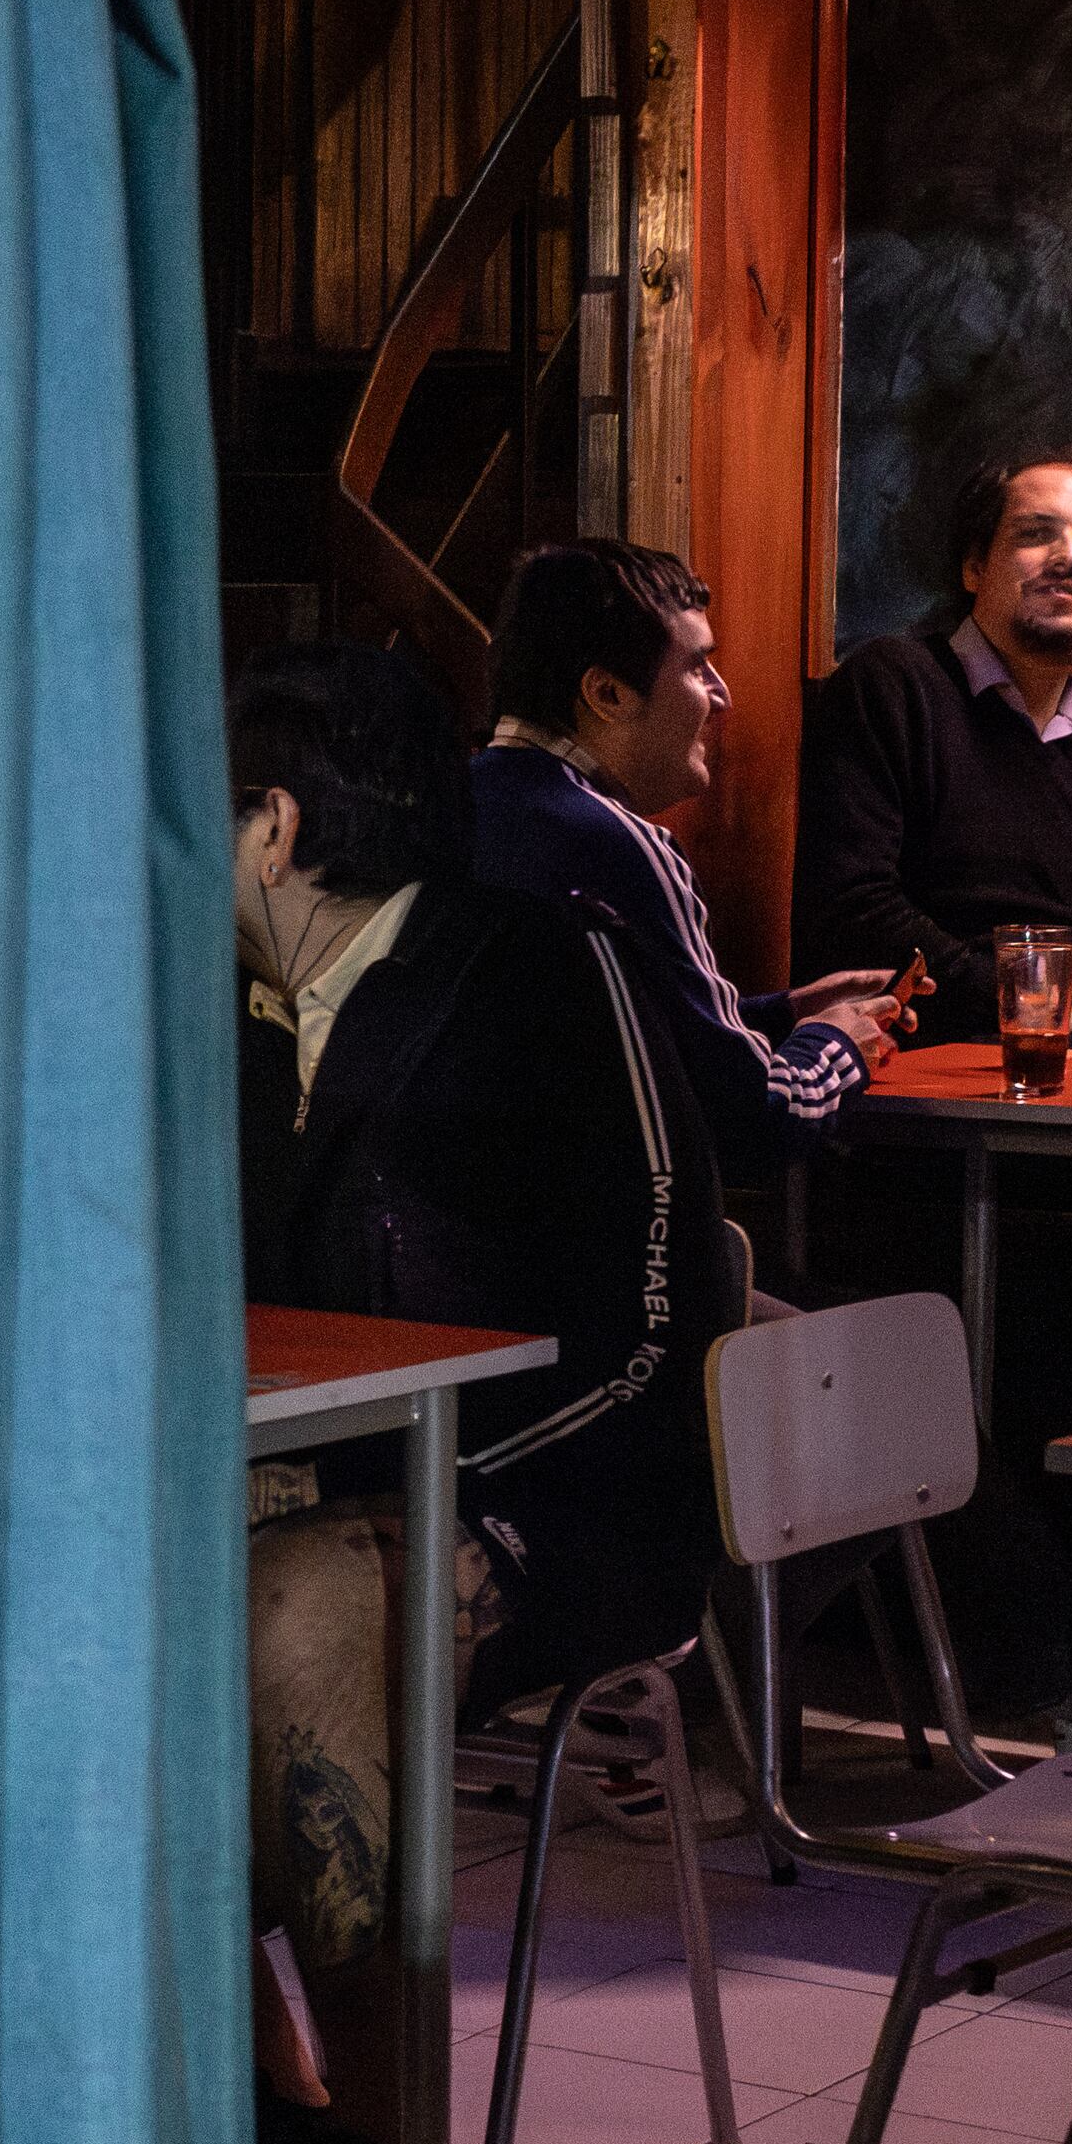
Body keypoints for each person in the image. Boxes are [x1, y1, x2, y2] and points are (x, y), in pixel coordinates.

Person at [229, 643, 729, 1999]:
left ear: (271, 828)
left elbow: (664, 1322)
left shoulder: (547, 969)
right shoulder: (225, 1020)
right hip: (300, 1477)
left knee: (295, 1607)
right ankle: (236, 2072)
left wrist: (434, 1475)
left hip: (568, 1501)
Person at [469, 538, 905, 1164]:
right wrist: (834, 1044)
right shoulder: (617, 844)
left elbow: (613, 1043)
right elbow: (754, 1117)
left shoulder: (451, 805)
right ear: (608, 695)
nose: (721, 695)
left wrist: (781, 1013)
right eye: (698, 666)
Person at [795, 450, 1072, 1046]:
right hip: (925, 1066)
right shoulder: (891, 685)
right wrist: (1028, 1010)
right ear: (974, 567)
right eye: (1036, 535)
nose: (1066, 558)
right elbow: (854, 912)